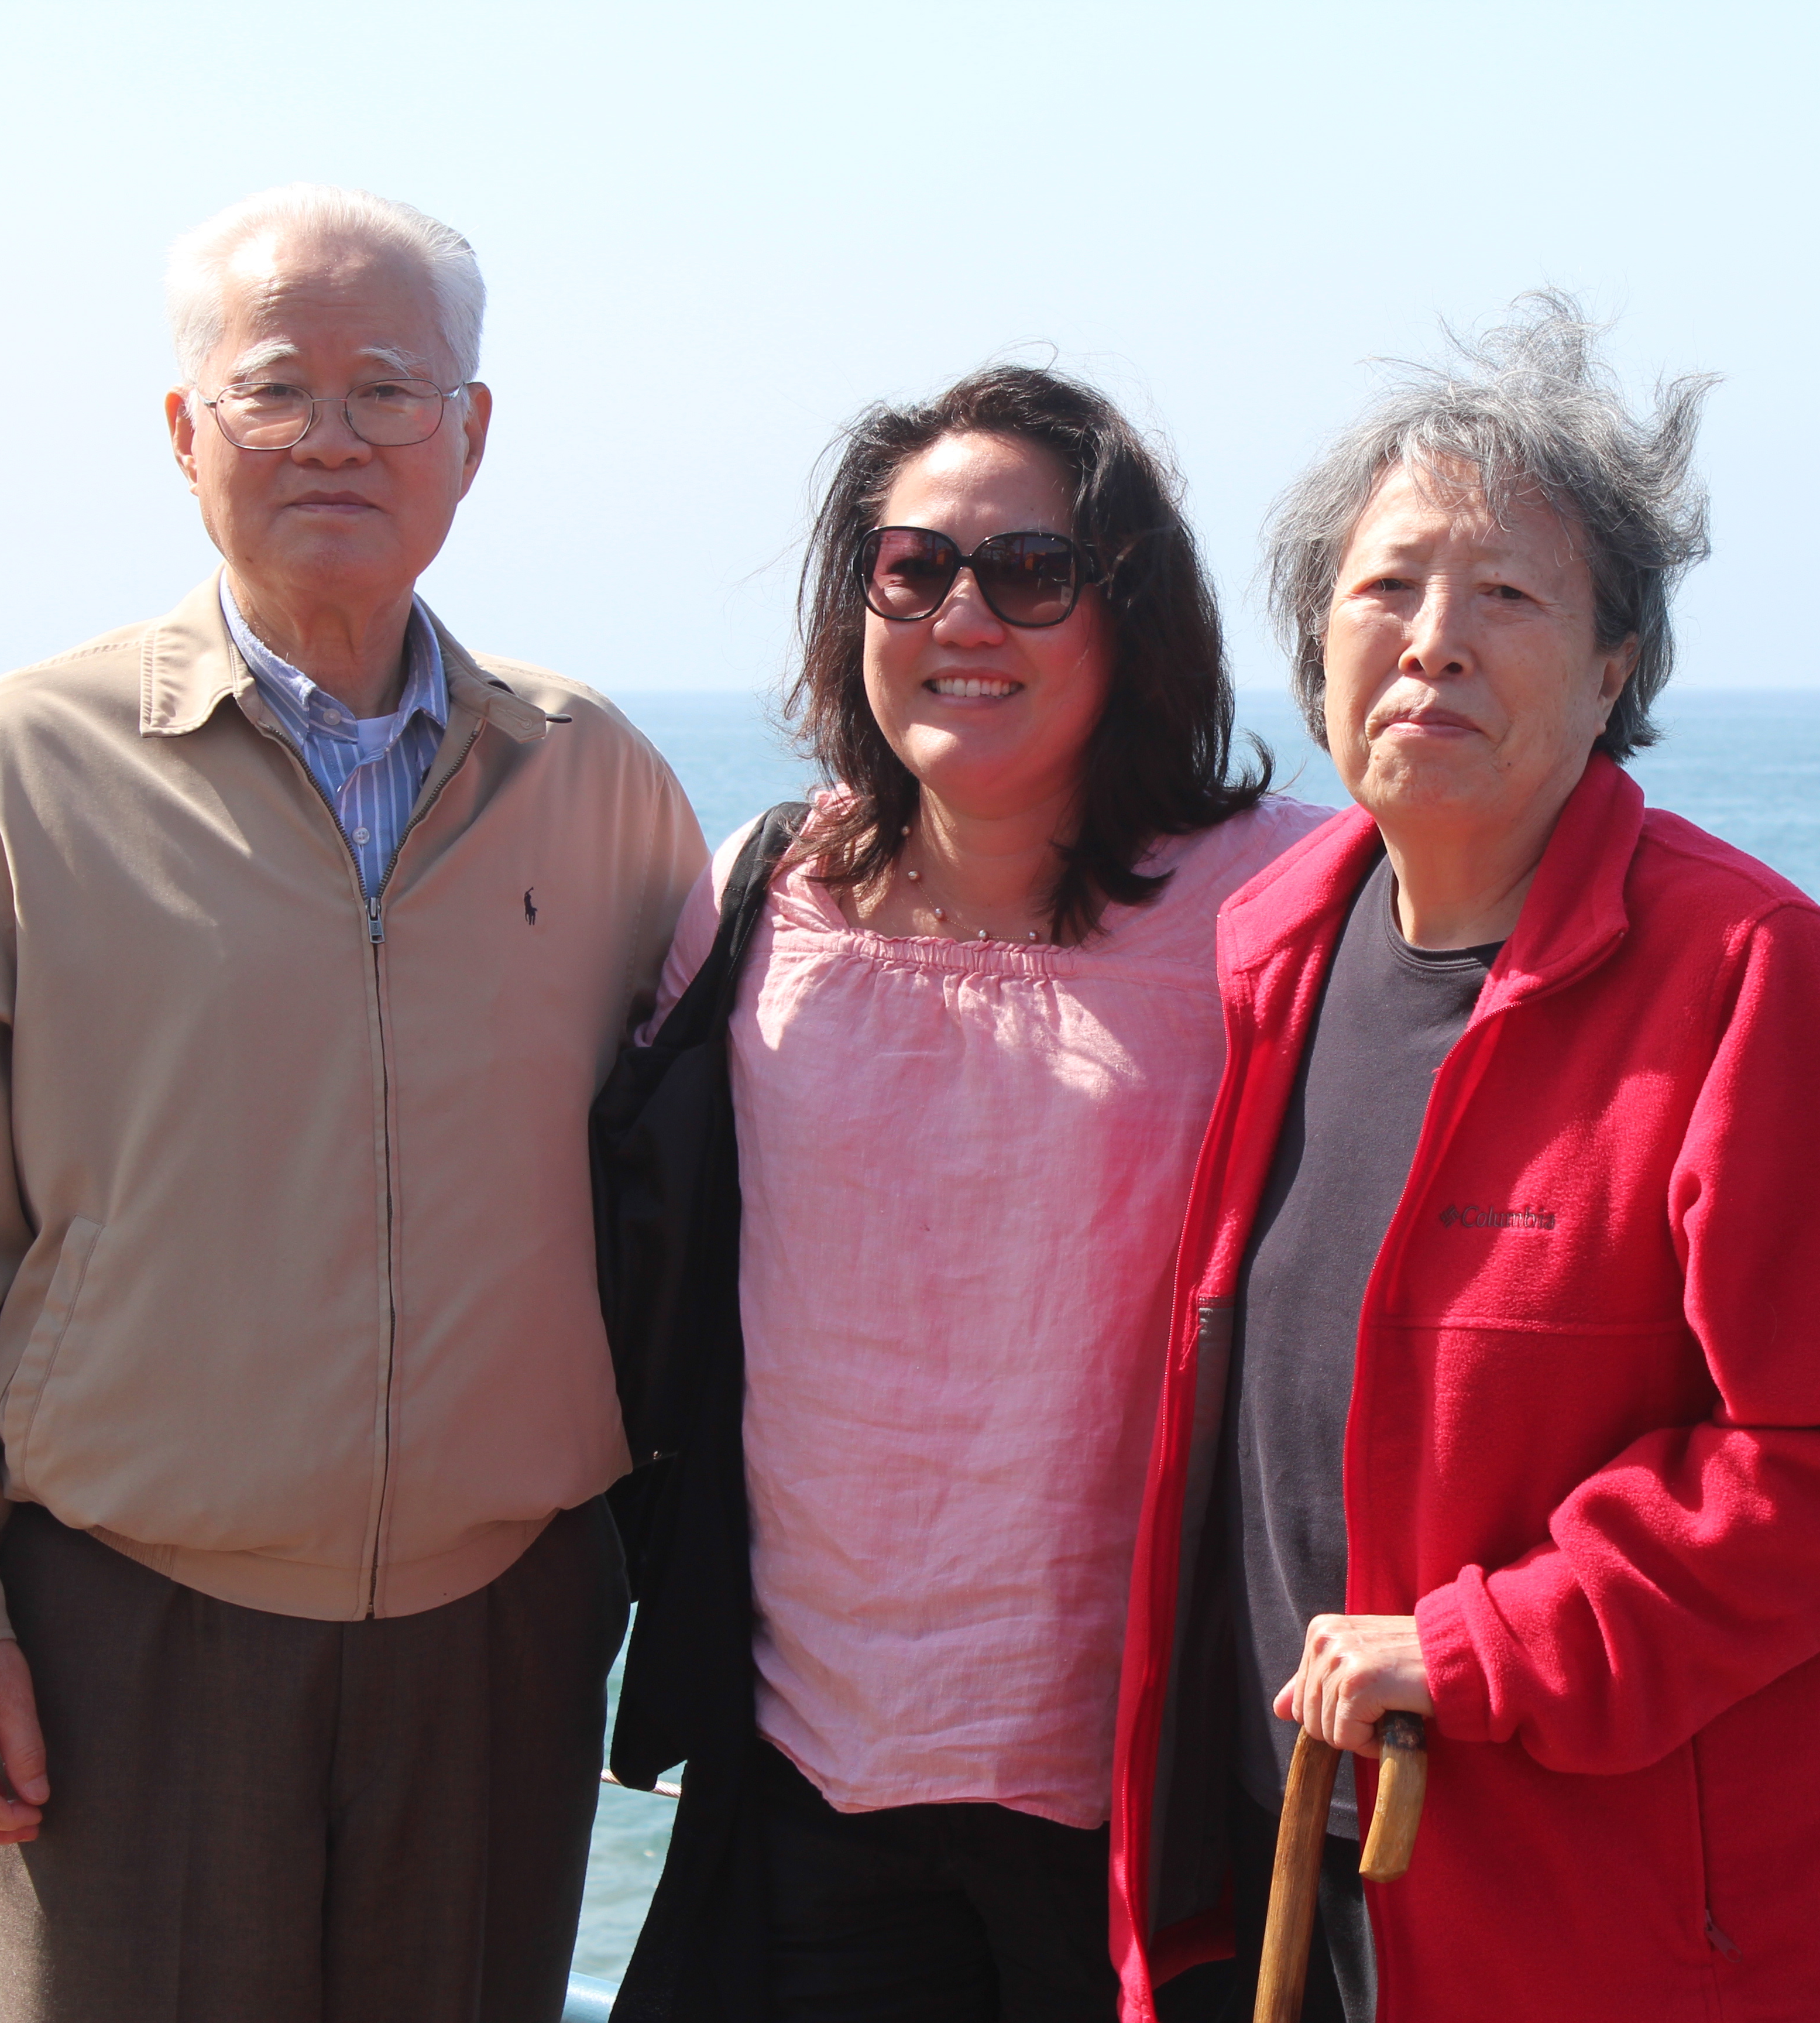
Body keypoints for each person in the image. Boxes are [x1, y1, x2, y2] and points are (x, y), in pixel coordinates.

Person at [0, 184, 705, 2022]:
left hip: (504, 1629)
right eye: (277, 388)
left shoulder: (593, 776)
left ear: (471, 434)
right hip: (131, 1625)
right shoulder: (14, 767)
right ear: (182, 428)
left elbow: (714, 1168)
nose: (334, 437)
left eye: (390, 390)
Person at [1106, 294, 1820, 2021]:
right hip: (1288, 1871)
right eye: (1387, 587)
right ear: (1316, 650)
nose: (1435, 641)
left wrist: (1485, 1647)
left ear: (1612, 674)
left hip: (1612, 1927)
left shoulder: (1748, 977)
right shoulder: (1276, 950)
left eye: (1508, 597)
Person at [609, 365, 1328, 2023]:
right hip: (804, 1765)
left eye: (1031, 570)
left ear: (1130, 613)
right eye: (912, 567)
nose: (963, 615)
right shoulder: (763, 891)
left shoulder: (1283, 898)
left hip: (1142, 1789)